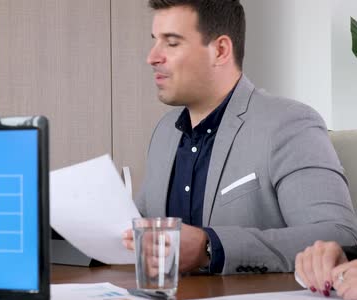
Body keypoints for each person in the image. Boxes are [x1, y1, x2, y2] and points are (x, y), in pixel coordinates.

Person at [122, 0, 357, 275]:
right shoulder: (165, 132)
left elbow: (338, 237)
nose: (152, 57)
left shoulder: (289, 123)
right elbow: (142, 225)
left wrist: (209, 247)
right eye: (155, 41)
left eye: (172, 43)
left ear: (220, 50)